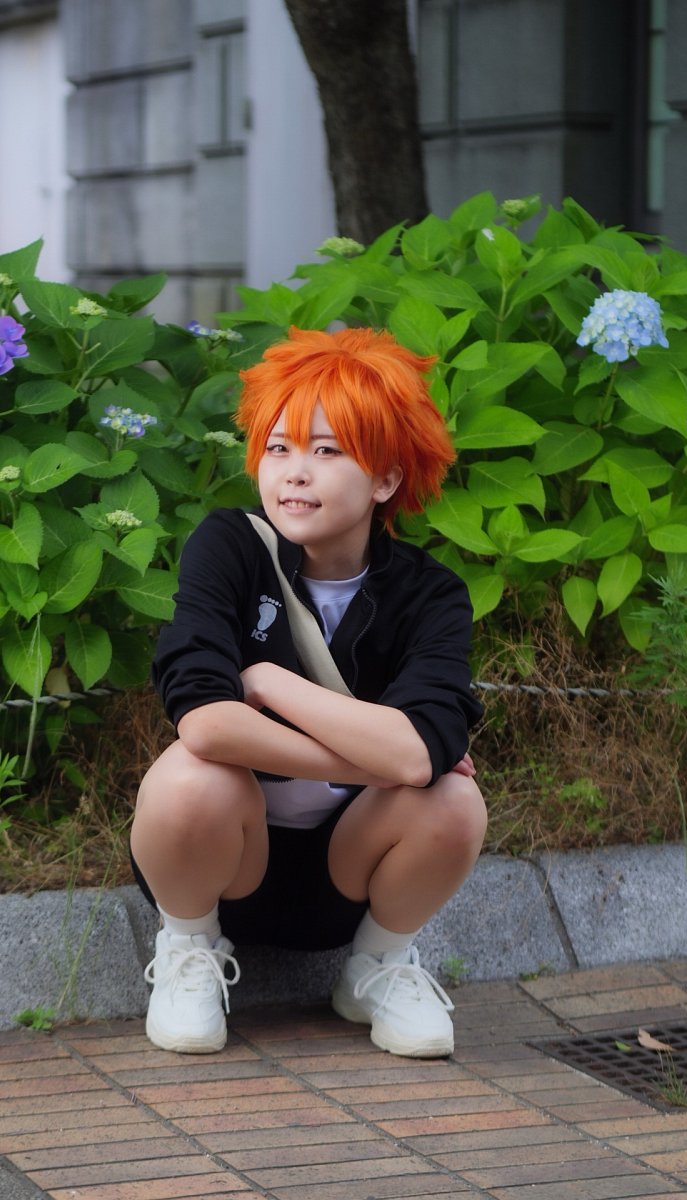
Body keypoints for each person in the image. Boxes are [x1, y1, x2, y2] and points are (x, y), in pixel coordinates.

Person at [130, 325, 487, 1059]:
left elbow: (421, 754)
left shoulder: (432, 596)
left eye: (326, 451)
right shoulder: (230, 547)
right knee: (191, 778)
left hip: (349, 878)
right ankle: (189, 953)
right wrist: (382, 759)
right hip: (226, 864)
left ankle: (378, 966)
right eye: (278, 448)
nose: (295, 473)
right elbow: (204, 721)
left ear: (385, 479)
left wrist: (267, 681)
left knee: (454, 803)